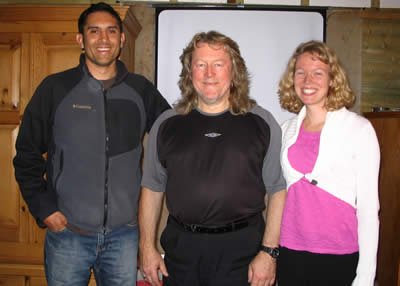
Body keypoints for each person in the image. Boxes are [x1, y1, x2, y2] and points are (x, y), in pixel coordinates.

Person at [13, 2, 169, 285]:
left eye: (111, 31)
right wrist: (43, 207)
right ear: (80, 40)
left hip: (124, 235)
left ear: (121, 40)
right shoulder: (55, 88)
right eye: (93, 31)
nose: (103, 39)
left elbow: (173, 136)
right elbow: (26, 154)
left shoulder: (141, 90)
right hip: (67, 234)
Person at [138, 30, 287, 286]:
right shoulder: (166, 124)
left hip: (243, 252)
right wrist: (147, 247)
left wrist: (269, 252)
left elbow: (277, 189)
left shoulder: (262, 122)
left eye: (218, 64)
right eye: (200, 65)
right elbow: (152, 188)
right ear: (189, 72)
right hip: (182, 252)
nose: (209, 74)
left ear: (234, 71)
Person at [277, 40, 380, 286]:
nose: (307, 80)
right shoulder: (286, 130)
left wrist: (365, 276)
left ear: (332, 79)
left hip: (339, 255)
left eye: (318, 73)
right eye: (300, 73)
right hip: (291, 252)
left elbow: (368, 209)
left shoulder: (359, 129)